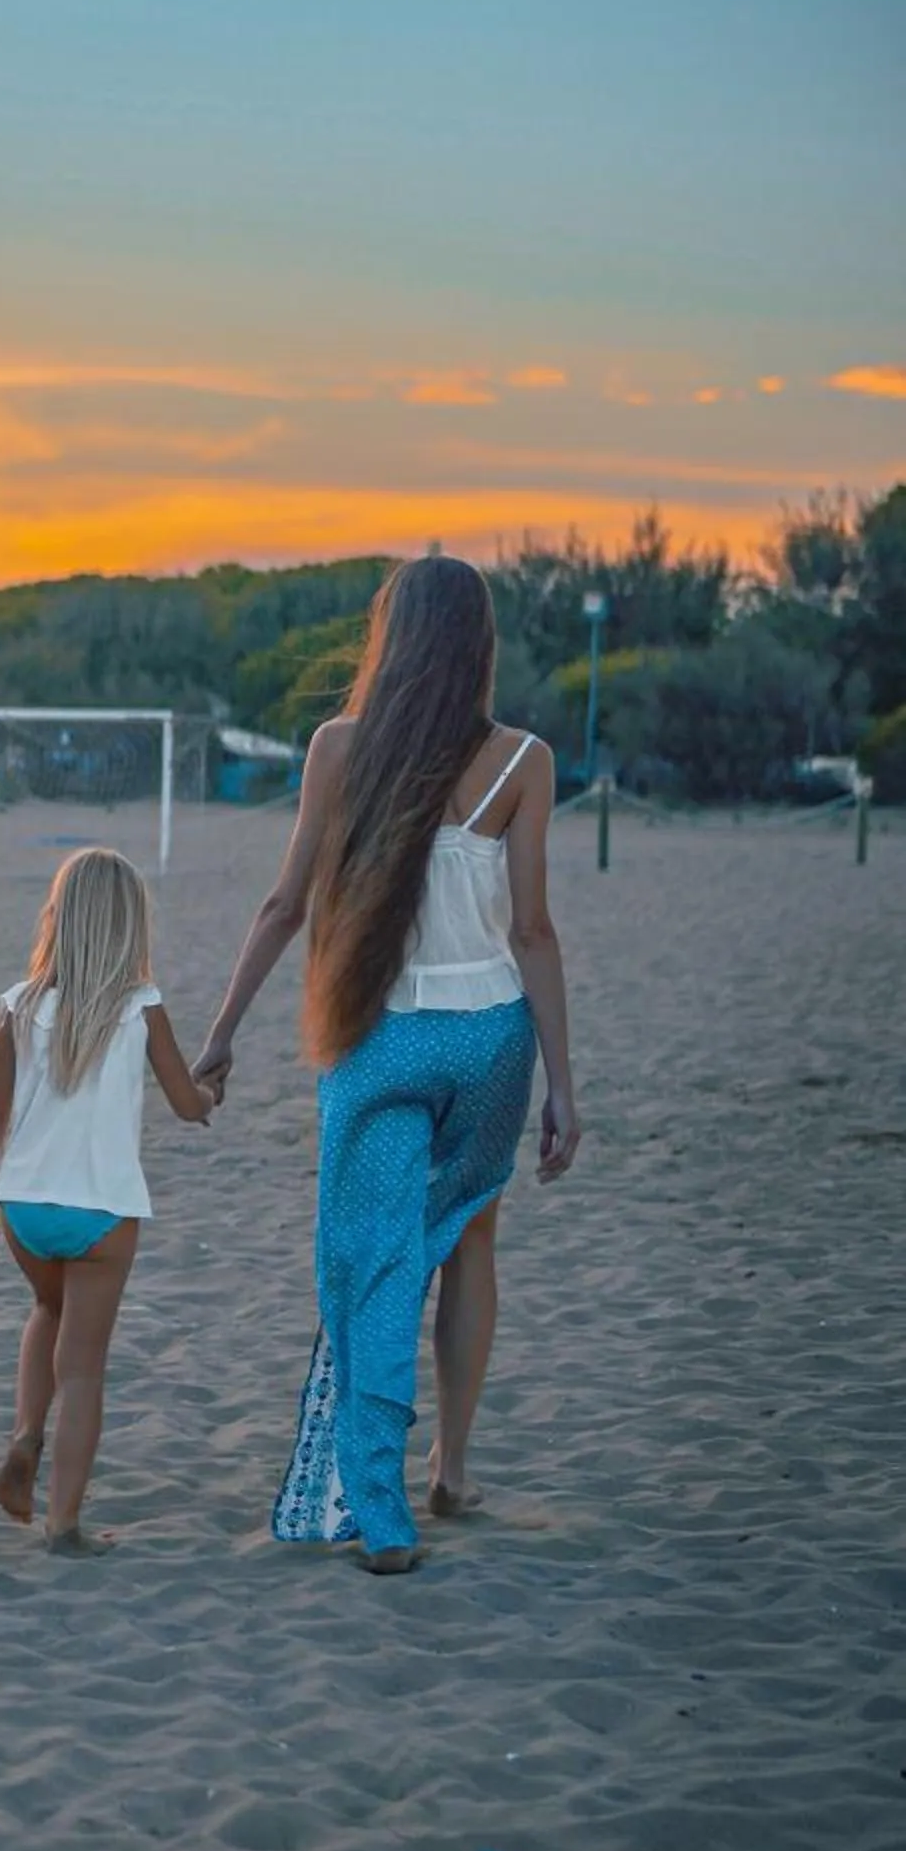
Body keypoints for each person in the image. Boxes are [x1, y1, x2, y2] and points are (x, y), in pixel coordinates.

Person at [191, 554, 581, 1575]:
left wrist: (224, 1027)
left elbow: (286, 905)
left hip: (379, 1035)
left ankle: (385, 1508)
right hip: (492, 1038)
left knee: (374, 1258)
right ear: (480, 644)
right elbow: (534, 931)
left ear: (391, 637)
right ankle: (451, 1467)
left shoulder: (340, 747)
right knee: (466, 1238)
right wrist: (565, 1086)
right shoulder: (523, 761)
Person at [0, 848, 215, 1556]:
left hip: (25, 1207)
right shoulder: (141, 1006)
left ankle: (24, 1436)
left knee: (47, 1308)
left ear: (58, 916)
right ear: (131, 925)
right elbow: (185, 1101)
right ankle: (64, 1523)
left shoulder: (19, 1004)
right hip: (102, 1210)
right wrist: (211, 1094)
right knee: (84, 1369)